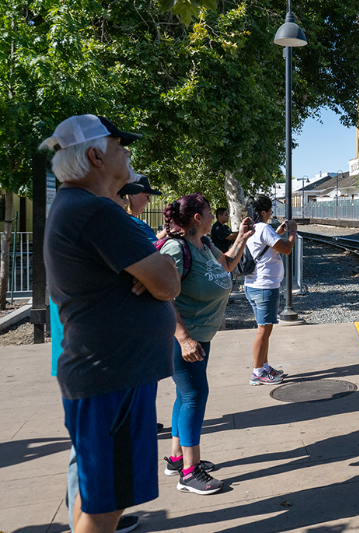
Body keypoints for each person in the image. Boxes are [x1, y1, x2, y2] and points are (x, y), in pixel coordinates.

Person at [41, 114, 180, 533]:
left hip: (106, 375)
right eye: (120, 145)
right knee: (107, 507)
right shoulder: (95, 211)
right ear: (96, 157)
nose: (128, 153)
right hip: (112, 379)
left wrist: (148, 273)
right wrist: (154, 272)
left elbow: (156, 279)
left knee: (96, 494)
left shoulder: (75, 206)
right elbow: (168, 283)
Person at [159, 194, 254, 494]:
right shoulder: (176, 249)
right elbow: (162, 294)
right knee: (195, 395)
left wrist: (242, 239)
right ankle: (190, 472)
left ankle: (177, 458)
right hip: (183, 339)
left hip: (200, 335)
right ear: (197, 218)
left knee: (185, 394)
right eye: (210, 212)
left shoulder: (205, 245)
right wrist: (183, 337)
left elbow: (225, 265)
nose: (214, 216)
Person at [244, 195, 297, 385]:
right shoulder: (263, 228)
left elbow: (266, 244)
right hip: (264, 287)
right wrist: (292, 232)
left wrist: (279, 231)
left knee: (265, 329)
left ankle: (264, 367)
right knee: (263, 330)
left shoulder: (252, 228)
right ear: (263, 212)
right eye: (270, 211)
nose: (270, 215)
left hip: (254, 285)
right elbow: (286, 249)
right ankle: (258, 372)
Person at [118, 176, 164, 243]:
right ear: (132, 194)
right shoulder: (136, 225)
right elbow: (155, 247)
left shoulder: (117, 220)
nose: (149, 200)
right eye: (146, 195)